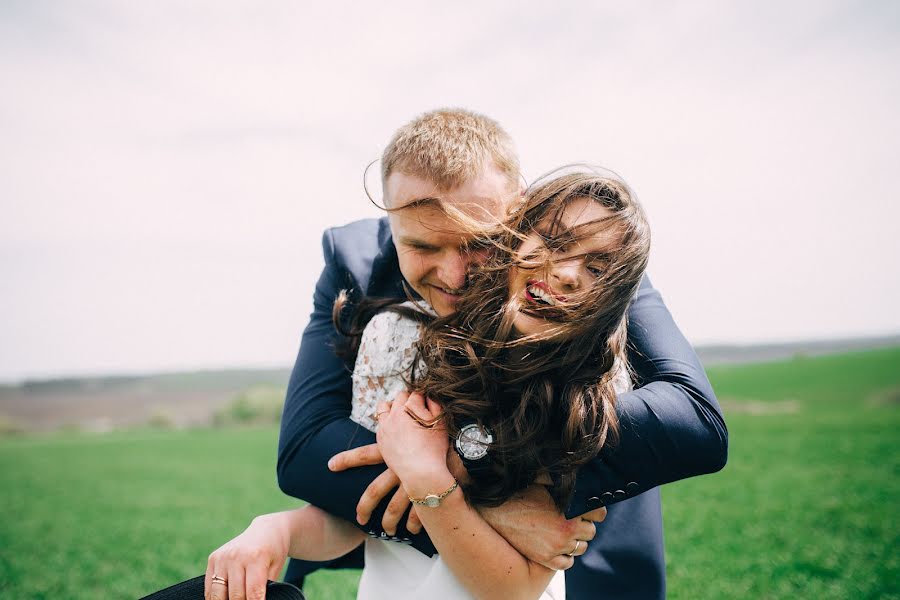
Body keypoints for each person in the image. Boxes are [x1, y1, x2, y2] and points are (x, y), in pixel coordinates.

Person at [208, 109, 727, 600]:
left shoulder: (583, 262)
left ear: (521, 208)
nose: (455, 276)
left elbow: (693, 421)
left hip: (584, 532)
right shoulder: (363, 284)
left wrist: (455, 467)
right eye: (424, 248)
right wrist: (482, 509)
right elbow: (307, 452)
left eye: (480, 241)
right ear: (388, 221)